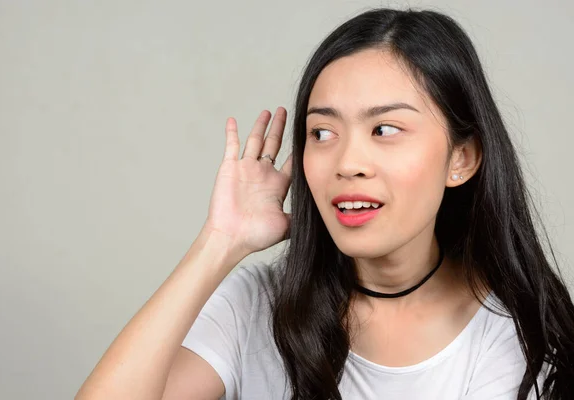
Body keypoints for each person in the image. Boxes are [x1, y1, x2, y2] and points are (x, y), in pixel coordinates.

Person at [75, 7, 574, 400]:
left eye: (385, 129)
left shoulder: (510, 330)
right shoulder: (260, 304)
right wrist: (219, 243)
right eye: (323, 132)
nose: (347, 162)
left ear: (460, 159)